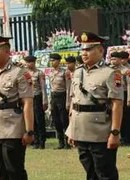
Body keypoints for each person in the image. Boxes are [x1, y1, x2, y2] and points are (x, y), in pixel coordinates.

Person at [66, 32, 123, 180]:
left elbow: (117, 104)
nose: (84, 53)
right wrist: (71, 129)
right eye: (83, 49)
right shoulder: (78, 72)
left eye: (89, 49)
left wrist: (115, 133)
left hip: (100, 133)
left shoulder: (111, 73)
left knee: (105, 174)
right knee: (90, 174)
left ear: (100, 50)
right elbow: (74, 101)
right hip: (81, 131)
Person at [0, 33, 34, 180]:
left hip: (13, 128)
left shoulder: (20, 72)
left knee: (14, 170)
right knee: (0, 171)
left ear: (7, 51)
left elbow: (27, 103)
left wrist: (29, 131)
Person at [24, 55, 47, 149]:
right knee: (31, 120)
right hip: (28, 98)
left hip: (37, 97)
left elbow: (43, 87)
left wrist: (45, 100)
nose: (29, 64)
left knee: (39, 120)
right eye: (28, 62)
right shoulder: (25, 74)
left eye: (31, 62)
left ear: (34, 62)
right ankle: (35, 141)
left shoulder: (39, 73)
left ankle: (42, 141)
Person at [49, 53, 71, 149]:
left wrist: (68, 102)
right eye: (51, 60)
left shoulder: (64, 72)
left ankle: (67, 142)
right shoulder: (51, 72)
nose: (52, 62)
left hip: (62, 96)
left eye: (53, 60)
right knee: (56, 121)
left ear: (58, 61)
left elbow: (68, 87)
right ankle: (60, 142)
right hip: (54, 97)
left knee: (64, 120)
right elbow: (50, 88)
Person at [110, 51, 129, 146]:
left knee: (124, 117)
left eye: (115, 59)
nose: (113, 61)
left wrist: (129, 98)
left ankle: (125, 138)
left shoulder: (125, 70)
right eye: (112, 59)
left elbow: (129, 84)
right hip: (111, 95)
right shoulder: (109, 69)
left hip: (123, 94)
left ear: (120, 60)